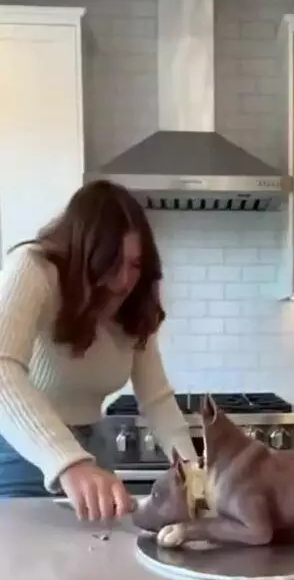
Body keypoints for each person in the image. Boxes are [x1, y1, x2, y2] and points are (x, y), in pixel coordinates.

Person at [0, 179, 197, 521]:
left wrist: (194, 473)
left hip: (95, 448)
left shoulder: (134, 304)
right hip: (25, 453)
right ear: (83, 256)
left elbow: (157, 400)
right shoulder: (33, 268)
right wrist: (69, 462)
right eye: (112, 262)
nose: (123, 280)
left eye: (135, 265)